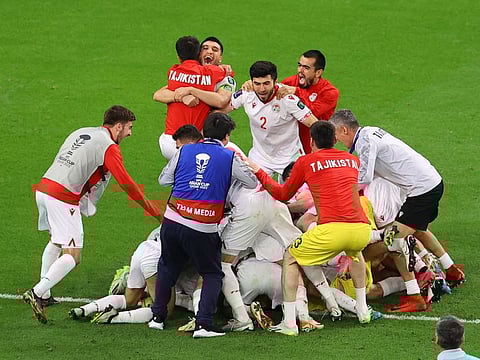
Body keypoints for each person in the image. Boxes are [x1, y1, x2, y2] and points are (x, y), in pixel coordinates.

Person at [24, 105, 162, 324]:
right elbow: (127, 184)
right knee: (73, 254)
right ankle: (37, 292)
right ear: (118, 126)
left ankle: (46, 295)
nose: (129, 133)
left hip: (43, 189)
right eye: (129, 128)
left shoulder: (82, 132)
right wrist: (154, 210)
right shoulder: (109, 147)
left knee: (56, 240)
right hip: (62, 197)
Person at [330, 109, 464, 312]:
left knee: (393, 240)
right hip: (431, 182)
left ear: (343, 129)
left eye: (337, 135)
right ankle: (451, 270)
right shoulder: (370, 132)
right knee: (418, 229)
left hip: (421, 192)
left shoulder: (365, 141)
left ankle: (415, 296)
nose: (337, 140)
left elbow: (364, 178)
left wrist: (339, 192)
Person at [248, 121, 372, 336]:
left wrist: (260, 172)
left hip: (331, 230)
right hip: (361, 230)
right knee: (355, 253)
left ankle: (288, 322)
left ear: (311, 141)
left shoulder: (306, 161)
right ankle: (362, 308)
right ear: (335, 140)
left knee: (290, 256)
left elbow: (282, 194)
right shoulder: (352, 160)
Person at [148, 112, 258, 338]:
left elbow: (163, 180)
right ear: (226, 137)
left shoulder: (184, 150)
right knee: (212, 272)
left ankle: (157, 318)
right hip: (203, 225)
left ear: (203, 133)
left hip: (173, 219)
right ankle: (204, 324)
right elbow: (251, 181)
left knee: (167, 265)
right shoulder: (229, 156)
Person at [230, 61, 318, 179]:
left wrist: (321, 151)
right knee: (248, 194)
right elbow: (221, 107)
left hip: (289, 158)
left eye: (266, 83)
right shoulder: (247, 93)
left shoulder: (288, 99)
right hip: (260, 157)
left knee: (298, 196)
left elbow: (315, 124)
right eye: (257, 83)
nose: (262, 89)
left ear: (275, 81)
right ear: (251, 81)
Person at [154, 36, 234, 160]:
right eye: (205, 48)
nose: (209, 52)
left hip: (202, 140)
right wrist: (182, 97)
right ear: (198, 54)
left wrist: (192, 91)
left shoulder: (227, 79)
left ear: (220, 58)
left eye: (215, 49)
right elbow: (158, 94)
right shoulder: (197, 74)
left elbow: (221, 101)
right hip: (187, 141)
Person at [280, 50, 339, 154]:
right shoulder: (289, 82)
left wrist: (296, 91)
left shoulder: (329, 92)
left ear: (318, 72)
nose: (300, 71)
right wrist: (251, 85)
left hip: (316, 147)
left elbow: (312, 112)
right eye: (299, 65)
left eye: (306, 68)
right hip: (291, 147)